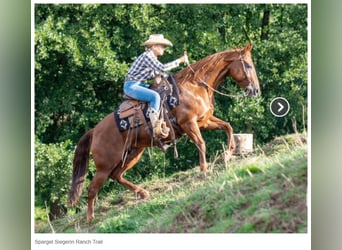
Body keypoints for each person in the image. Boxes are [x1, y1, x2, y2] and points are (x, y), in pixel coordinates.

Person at [124, 34, 187, 137]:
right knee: (155, 96)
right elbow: (162, 68)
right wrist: (179, 61)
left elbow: (158, 73)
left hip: (139, 85)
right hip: (131, 86)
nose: (163, 49)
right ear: (153, 46)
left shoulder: (151, 58)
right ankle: (155, 127)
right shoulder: (147, 56)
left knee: (161, 93)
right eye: (161, 46)